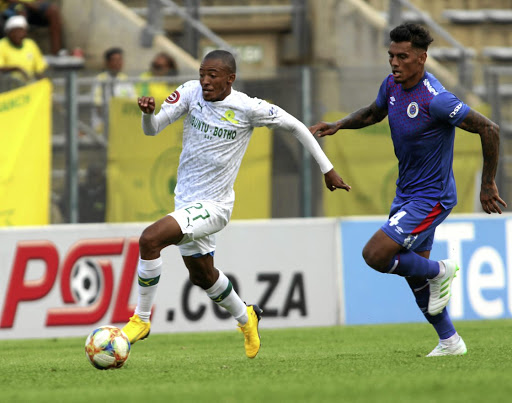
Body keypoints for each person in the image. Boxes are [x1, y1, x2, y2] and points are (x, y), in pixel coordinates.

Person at [122, 49, 351, 359]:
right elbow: (152, 129)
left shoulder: (248, 108)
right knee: (203, 276)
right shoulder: (190, 92)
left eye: (212, 76)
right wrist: (147, 114)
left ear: (230, 79)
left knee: (150, 240)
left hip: (215, 206)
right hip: (186, 202)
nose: (205, 81)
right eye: (202, 74)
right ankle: (247, 318)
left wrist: (328, 169)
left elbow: (297, 126)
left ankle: (142, 319)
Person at [309, 23, 507, 357]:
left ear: (422, 58)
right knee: (415, 278)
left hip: (433, 197)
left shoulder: (438, 101)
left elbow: (490, 129)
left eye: (403, 57)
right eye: (391, 56)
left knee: (376, 254)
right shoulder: (391, 85)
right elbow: (374, 112)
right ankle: (450, 342)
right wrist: (340, 124)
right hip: (407, 193)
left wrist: (487, 183)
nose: (395, 63)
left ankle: (443, 270)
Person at [92, 47, 136, 133]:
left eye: (120, 60)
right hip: (103, 128)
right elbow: (98, 106)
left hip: (123, 126)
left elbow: (133, 102)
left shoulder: (125, 79)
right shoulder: (100, 80)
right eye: (114, 60)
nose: (118, 63)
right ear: (107, 63)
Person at [0, 14, 47, 83]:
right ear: (8, 33)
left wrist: (44, 82)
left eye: (21, 31)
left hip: (28, 83)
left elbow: (39, 69)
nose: (18, 34)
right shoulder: (2, 45)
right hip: (7, 84)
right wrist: (16, 69)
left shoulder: (30, 44)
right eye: (14, 31)